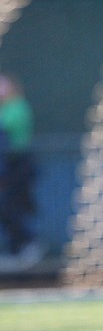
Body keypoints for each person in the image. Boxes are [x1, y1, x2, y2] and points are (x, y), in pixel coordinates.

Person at [0, 73, 41, 271]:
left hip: (17, 166)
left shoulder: (16, 107)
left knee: (12, 206)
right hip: (9, 165)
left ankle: (27, 247)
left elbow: (6, 129)